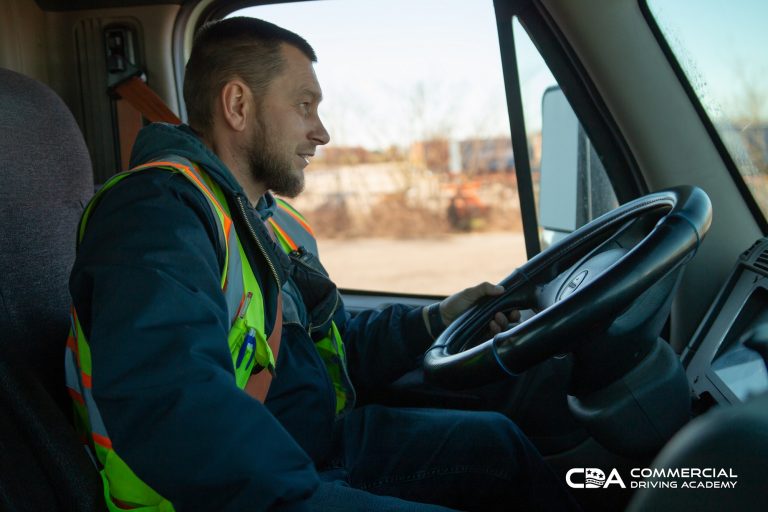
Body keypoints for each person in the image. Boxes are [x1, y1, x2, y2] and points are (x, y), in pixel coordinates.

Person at [65, 17, 580, 511]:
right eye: (305, 106)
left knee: (497, 443)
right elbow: (174, 406)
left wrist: (437, 318)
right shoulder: (156, 213)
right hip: (226, 491)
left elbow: (330, 346)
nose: (322, 132)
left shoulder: (272, 221)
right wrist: (301, 498)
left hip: (313, 441)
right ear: (238, 105)